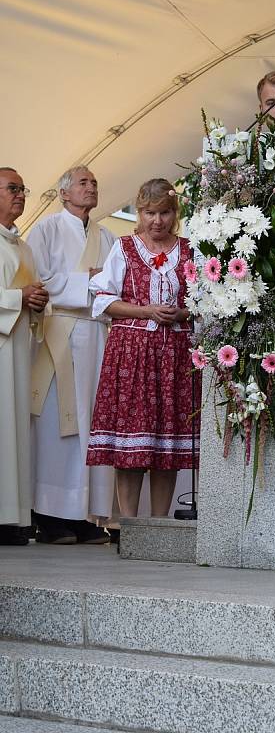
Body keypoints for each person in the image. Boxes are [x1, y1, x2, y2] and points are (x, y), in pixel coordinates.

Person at [86, 178, 199, 518]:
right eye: (150, 212)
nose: (157, 221)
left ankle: (159, 525)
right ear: (139, 212)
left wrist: (182, 313)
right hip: (131, 352)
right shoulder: (124, 247)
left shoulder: (191, 249)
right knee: (130, 444)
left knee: (167, 444)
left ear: (174, 213)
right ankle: (129, 523)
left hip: (175, 354)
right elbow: (103, 300)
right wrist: (147, 311)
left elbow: (204, 301)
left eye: (165, 212)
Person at [27, 165, 115, 544]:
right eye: (83, 183)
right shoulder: (45, 230)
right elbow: (39, 280)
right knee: (56, 426)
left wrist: (102, 285)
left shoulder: (108, 235)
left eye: (94, 182)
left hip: (96, 336)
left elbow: (117, 284)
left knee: (91, 425)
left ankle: (84, 514)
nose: (91, 187)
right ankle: (48, 514)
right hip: (59, 333)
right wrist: (90, 282)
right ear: (64, 193)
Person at [0, 168, 48, 545]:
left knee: (14, 432)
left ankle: (13, 518)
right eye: (12, 188)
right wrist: (20, 298)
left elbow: (32, 295)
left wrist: (37, 301)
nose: (20, 195)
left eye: (22, 188)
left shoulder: (24, 246)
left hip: (17, 350)